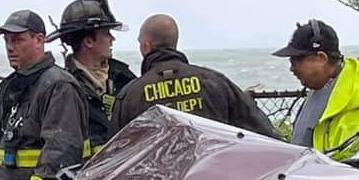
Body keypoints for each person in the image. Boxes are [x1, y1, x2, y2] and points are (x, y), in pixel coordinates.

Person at [0, 9, 89, 180]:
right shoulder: (15, 86)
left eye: (18, 39)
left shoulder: (58, 85)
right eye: (6, 41)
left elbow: (61, 150)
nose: (10, 47)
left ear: (39, 40)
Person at [110, 14, 278, 138]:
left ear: (146, 46)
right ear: (174, 43)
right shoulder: (215, 82)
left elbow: (116, 154)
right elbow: (263, 132)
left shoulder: (130, 95)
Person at [275, 19, 359, 159]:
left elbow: (348, 175)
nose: (292, 68)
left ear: (321, 58)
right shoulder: (322, 88)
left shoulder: (357, 117)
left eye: (296, 60)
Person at [46, 0, 136, 157]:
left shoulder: (124, 77)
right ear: (88, 41)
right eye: (106, 34)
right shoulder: (63, 87)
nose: (112, 39)